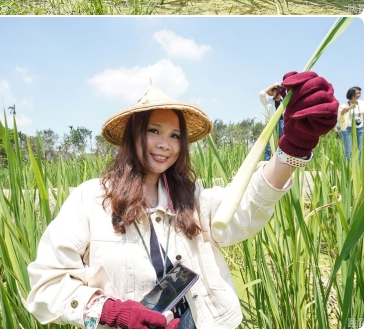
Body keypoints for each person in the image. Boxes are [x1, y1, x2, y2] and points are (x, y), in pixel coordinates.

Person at [24, 73, 339, 329]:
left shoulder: (191, 198)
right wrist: (112, 312)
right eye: (154, 131)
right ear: (132, 135)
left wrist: (294, 147)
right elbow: (45, 285)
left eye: (175, 135)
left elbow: (245, 208)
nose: (165, 145)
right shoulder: (90, 199)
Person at [259, 83, 285, 161]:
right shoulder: (268, 102)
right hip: (271, 124)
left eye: (279, 91)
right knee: (269, 147)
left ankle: (280, 164)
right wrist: (274, 86)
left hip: (282, 124)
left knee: (282, 146)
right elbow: (261, 94)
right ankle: (266, 164)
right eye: (275, 91)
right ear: (273, 92)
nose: (277, 92)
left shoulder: (284, 102)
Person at [337, 87, 363, 160]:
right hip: (347, 129)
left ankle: (361, 169)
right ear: (351, 94)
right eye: (356, 93)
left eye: (359, 93)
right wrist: (343, 113)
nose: (358, 95)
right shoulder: (343, 106)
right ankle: (348, 169)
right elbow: (340, 120)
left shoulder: (362, 104)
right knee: (348, 150)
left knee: (361, 150)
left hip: (360, 128)